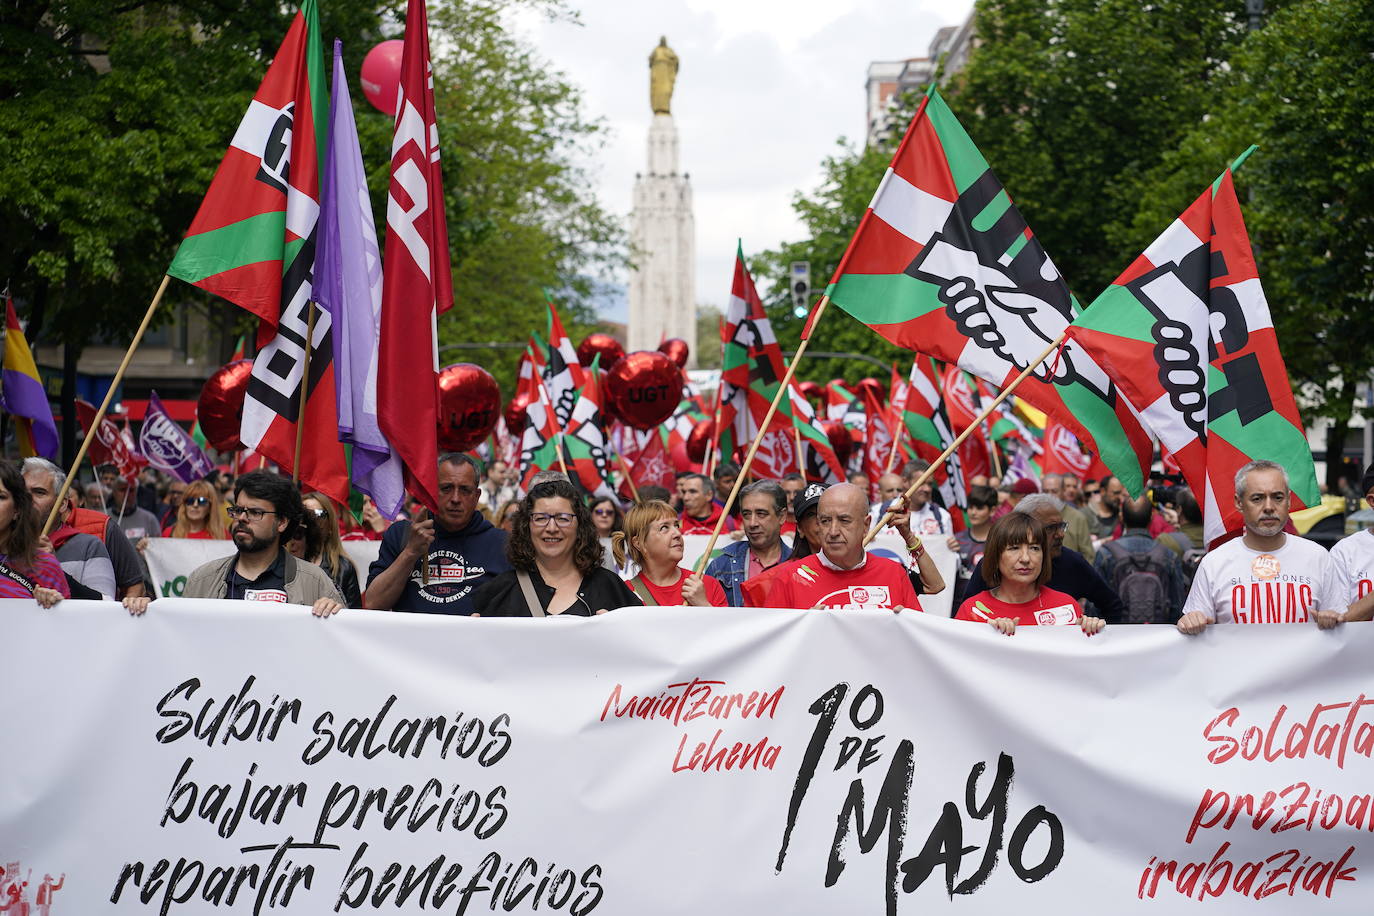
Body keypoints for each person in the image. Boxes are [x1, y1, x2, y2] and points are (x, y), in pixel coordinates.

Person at [123, 471, 343, 616]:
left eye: (255, 512)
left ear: (282, 522)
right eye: (238, 510)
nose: (242, 518)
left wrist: (336, 612)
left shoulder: (314, 581)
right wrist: (145, 611)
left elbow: (346, 642)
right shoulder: (203, 580)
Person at [1178, 461, 1350, 634]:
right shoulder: (1214, 563)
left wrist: (1333, 618)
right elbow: (1196, 624)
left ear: (1289, 500)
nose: (1268, 507)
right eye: (1257, 498)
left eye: (1277, 497)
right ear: (1239, 502)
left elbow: (1341, 623)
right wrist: (1191, 621)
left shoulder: (1318, 557)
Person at [473, 478, 641, 616]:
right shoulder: (500, 591)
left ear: (580, 525)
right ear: (527, 526)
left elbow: (641, 646)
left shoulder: (609, 586)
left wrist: (617, 634)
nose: (552, 528)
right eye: (540, 518)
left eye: (563, 518)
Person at [366, 454, 510, 614]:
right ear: (432, 491)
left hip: (473, 638)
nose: (455, 498)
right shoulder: (401, 534)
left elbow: (516, 611)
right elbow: (373, 603)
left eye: (465, 490)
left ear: (476, 497)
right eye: (446, 488)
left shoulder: (501, 543)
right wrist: (410, 552)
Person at [961, 494, 1127, 622]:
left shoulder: (1072, 568)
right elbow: (968, 624)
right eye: (1051, 528)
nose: (1061, 534)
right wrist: (991, 632)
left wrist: (1094, 637)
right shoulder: (981, 588)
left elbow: (1112, 605)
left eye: (1061, 526)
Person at [764, 483, 921, 612]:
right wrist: (804, 628)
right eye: (825, 521)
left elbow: (918, 640)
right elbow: (774, 646)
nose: (833, 532)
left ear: (866, 525)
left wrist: (903, 627)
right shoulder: (789, 578)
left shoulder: (893, 573)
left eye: (844, 520)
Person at [956, 513, 1105, 636]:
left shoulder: (1066, 606)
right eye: (1014, 548)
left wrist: (1091, 634)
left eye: (1034, 548)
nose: (1026, 558)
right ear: (995, 555)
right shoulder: (973, 611)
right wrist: (992, 637)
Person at [23, 458, 116, 599]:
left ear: (62, 504)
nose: (28, 499)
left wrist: (54, 569)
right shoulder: (5, 545)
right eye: (23, 493)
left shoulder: (89, 546)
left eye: (39, 492)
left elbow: (105, 605)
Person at [1092, 494, 1187, 624]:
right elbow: (1178, 606)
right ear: (1151, 518)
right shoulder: (1169, 556)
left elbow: (1094, 608)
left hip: (1116, 636)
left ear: (1122, 518)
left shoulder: (1106, 553)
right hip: (1159, 637)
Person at [613, 500, 727, 606]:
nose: (677, 533)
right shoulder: (626, 594)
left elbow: (726, 628)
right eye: (664, 528)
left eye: (677, 525)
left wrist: (704, 605)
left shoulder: (706, 585)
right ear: (638, 543)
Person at [705, 481, 792, 606]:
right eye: (746, 514)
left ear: (782, 516)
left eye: (761, 514)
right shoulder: (721, 566)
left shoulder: (799, 567)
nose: (752, 523)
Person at [0, 460, 69, 607]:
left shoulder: (44, 565)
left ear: (17, 509)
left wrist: (50, 605)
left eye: (1, 497)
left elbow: (65, 626)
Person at [302, 493, 361, 608]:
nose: (311, 520)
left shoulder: (344, 568)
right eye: (305, 514)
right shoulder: (282, 563)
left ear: (330, 525)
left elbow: (354, 617)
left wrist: (337, 606)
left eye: (319, 514)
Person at [949, 484, 997, 579]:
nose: (973, 512)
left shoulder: (1000, 541)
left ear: (992, 511)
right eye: (970, 507)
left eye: (979, 508)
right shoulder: (957, 540)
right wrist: (948, 551)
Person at [1040, 473, 1094, 557]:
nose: (1049, 496)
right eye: (1045, 491)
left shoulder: (1078, 518)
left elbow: (1088, 554)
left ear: (1063, 491)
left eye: (1054, 491)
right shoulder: (1035, 517)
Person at [161, 479, 226, 539]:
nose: (195, 505)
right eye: (190, 500)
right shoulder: (169, 533)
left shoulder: (223, 535)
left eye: (202, 501)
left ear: (210, 507)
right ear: (184, 505)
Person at [788, 483, 825, 560]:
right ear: (800, 528)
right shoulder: (786, 571)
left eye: (826, 512)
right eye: (811, 514)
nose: (820, 520)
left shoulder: (856, 568)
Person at [1087, 475, 1125, 540]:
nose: (1120, 498)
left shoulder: (1121, 516)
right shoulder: (1085, 515)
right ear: (1103, 491)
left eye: (1122, 494)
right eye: (1116, 493)